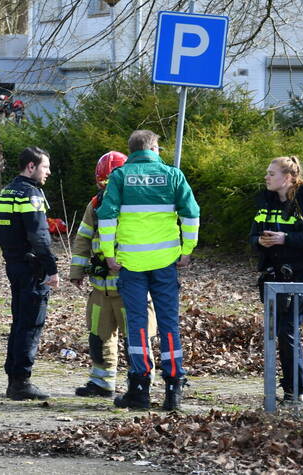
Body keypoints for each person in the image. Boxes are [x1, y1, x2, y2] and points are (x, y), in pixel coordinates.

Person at [97, 130, 199, 411]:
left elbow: (107, 216)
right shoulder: (173, 175)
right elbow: (191, 213)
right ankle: (173, 389)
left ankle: (140, 390)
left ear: (131, 151)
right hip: (165, 262)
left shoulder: (119, 177)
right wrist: (187, 249)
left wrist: (109, 254)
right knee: (168, 324)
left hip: (131, 263)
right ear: (155, 148)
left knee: (138, 325)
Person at [69, 151, 157, 399]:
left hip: (132, 286)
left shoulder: (140, 204)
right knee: (99, 336)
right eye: (102, 183)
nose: (106, 188)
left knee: (137, 340)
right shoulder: (95, 204)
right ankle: (102, 382)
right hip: (101, 288)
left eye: (110, 182)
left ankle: (140, 384)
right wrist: (77, 270)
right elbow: (83, 237)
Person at [250, 155, 303, 405]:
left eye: (271, 173)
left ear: (288, 178)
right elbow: (252, 237)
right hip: (275, 279)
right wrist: (261, 242)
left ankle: (299, 393)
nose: (266, 177)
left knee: (287, 331)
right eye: (267, 172)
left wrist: (285, 239)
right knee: (281, 333)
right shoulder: (267, 202)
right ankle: (291, 392)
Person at [0, 146, 59, 400]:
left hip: (14, 264)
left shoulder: (6, 191)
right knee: (31, 323)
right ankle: (21, 382)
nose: (49, 172)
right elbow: (39, 236)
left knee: (19, 321)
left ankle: (14, 377)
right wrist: (51, 268)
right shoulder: (31, 195)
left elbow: (3, 233)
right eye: (45, 167)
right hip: (32, 268)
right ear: (31, 167)